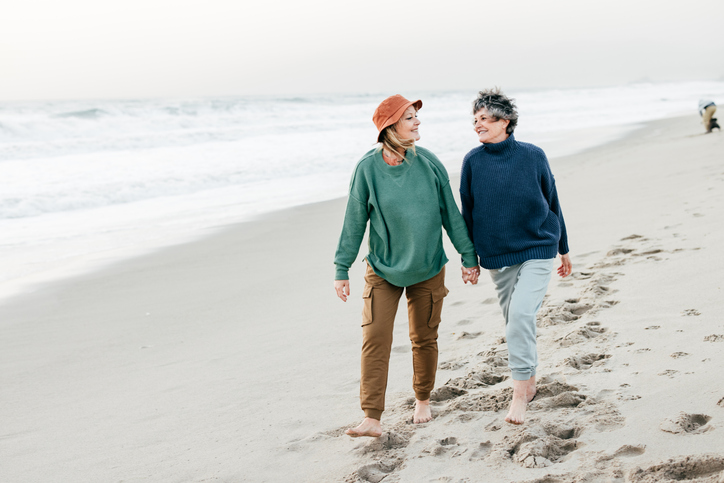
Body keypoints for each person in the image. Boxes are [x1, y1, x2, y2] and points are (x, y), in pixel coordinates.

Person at [334, 94, 480, 437]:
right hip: (383, 269)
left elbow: (451, 214)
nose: (417, 122)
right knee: (375, 337)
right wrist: (342, 268)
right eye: (410, 117)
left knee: (424, 337)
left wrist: (468, 256)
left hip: (428, 266)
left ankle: (423, 399)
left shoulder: (428, 162)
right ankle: (371, 417)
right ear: (391, 127)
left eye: (416, 116)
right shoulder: (367, 169)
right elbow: (354, 222)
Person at [460, 88, 572, 425]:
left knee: (521, 316)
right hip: (497, 256)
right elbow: (468, 213)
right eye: (475, 119)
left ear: (505, 121)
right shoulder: (472, 161)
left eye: (484, 118)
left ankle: (519, 393)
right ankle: (532, 381)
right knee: (515, 323)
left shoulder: (533, 155)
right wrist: (469, 258)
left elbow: (552, 201)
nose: (477, 124)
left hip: (538, 247)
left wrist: (563, 248)